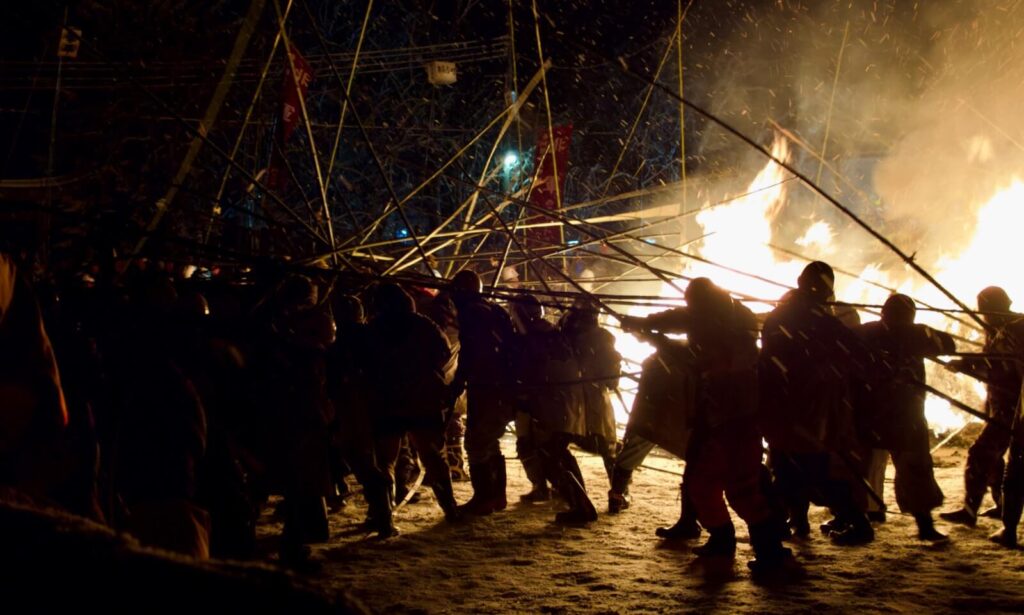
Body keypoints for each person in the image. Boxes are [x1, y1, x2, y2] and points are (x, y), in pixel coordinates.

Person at [622, 278, 791, 570]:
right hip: (722, 419)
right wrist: (644, 324)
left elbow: (691, 352)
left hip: (732, 420)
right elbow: (681, 323)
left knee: (740, 489)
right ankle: (725, 540)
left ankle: (768, 549)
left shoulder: (723, 332)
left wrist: (650, 333)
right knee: (704, 485)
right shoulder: (724, 315)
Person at [760, 262, 876, 545]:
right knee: (794, 467)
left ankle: (852, 522)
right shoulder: (817, 320)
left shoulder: (792, 316)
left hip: (798, 406)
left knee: (804, 469)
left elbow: (769, 361)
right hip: (803, 406)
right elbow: (856, 353)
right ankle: (796, 523)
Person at [857, 294, 955, 541]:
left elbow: (947, 345)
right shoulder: (916, 333)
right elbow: (947, 345)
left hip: (883, 412)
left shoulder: (870, 332)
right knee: (905, 469)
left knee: (910, 470)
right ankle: (863, 520)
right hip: (893, 412)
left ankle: (860, 520)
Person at [365, 283, 460, 526]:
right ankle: (450, 509)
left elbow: (366, 364)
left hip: (388, 400)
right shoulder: (424, 325)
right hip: (422, 399)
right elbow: (443, 354)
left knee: (385, 459)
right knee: (433, 456)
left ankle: (382, 515)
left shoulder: (374, 329)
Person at [510, 295, 597, 524]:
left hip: (553, 402)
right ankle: (579, 503)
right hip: (561, 401)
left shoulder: (537, 337)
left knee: (551, 454)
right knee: (555, 451)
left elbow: (535, 370)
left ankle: (581, 505)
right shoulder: (548, 334)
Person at [941, 286, 1024, 527]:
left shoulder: (1015, 328)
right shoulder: (999, 329)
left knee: (982, 453)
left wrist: (966, 363)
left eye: (985, 311)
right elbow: (991, 360)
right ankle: (1000, 505)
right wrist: (966, 363)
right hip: (999, 401)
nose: (983, 316)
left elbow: (999, 363)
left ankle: (970, 510)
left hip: (1013, 405)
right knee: (995, 457)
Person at [449, 271, 517, 516]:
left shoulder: (472, 313)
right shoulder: (494, 310)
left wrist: (459, 381)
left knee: (476, 442)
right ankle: (497, 496)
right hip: (503, 385)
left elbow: (471, 352)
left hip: (486, 385)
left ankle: (484, 498)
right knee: (491, 442)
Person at [561, 299, 621, 489]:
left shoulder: (600, 338)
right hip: (577, 396)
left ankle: (618, 491)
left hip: (586, 396)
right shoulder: (568, 337)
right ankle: (577, 491)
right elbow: (612, 378)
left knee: (605, 445)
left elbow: (611, 377)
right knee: (603, 445)